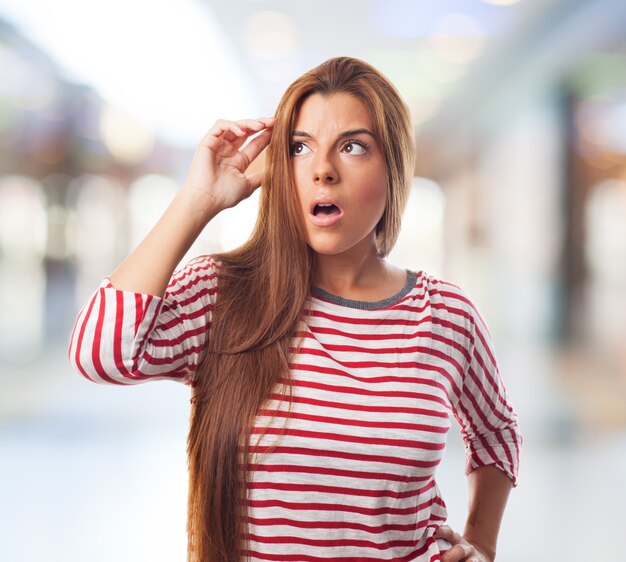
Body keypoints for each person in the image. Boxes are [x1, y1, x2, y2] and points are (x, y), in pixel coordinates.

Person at [67, 56, 522, 562]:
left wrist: (481, 544)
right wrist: (200, 199)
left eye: (352, 147)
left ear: (394, 167)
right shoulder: (223, 295)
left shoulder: (446, 315)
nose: (323, 170)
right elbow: (99, 353)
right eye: (299, 147)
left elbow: (495, 432)